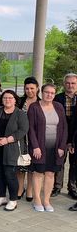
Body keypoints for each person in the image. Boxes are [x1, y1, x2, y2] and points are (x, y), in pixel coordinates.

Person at [0, 90, 29, 211]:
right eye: (5, 98)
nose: (7, 100)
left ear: (15, 100)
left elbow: (23, 130)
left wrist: (7, 140)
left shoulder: (20, 114)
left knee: (10, 175)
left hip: (11, 149)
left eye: (10, 98)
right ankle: (2, 197)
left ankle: (13, 199)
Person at [27, 83, 67, 212]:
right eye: (46, 92)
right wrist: (35, 146)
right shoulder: (34, 107)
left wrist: (62, 146)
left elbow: (64, 128)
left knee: (50, 174)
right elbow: (31, 129)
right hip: (40, 148)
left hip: (55, 148)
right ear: (41, 92)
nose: (49, 95)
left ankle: (46, 200)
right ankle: (37, 200)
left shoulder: (59, 107)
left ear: (54, 94)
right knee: (38, 173)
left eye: (52, 93)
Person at [52, 73, 77, 198]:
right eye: (67, 83)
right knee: (59, 161)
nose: (70, 85)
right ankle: (57, 186)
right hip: (60, 134)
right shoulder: (57, 98)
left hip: (76, 135)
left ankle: (72, 188)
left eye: (73, 83)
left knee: (74, 163)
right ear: (64, 84)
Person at [17, 76, 40, 201]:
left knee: (32, 165)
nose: (29, 91)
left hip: (35, 139)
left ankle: (30, 190)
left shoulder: (41, 102)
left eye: (32, 88)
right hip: (21, 138)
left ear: (37, 89)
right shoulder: (20, 101)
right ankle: (20, 188)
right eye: (27, 88)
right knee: (21, 164)